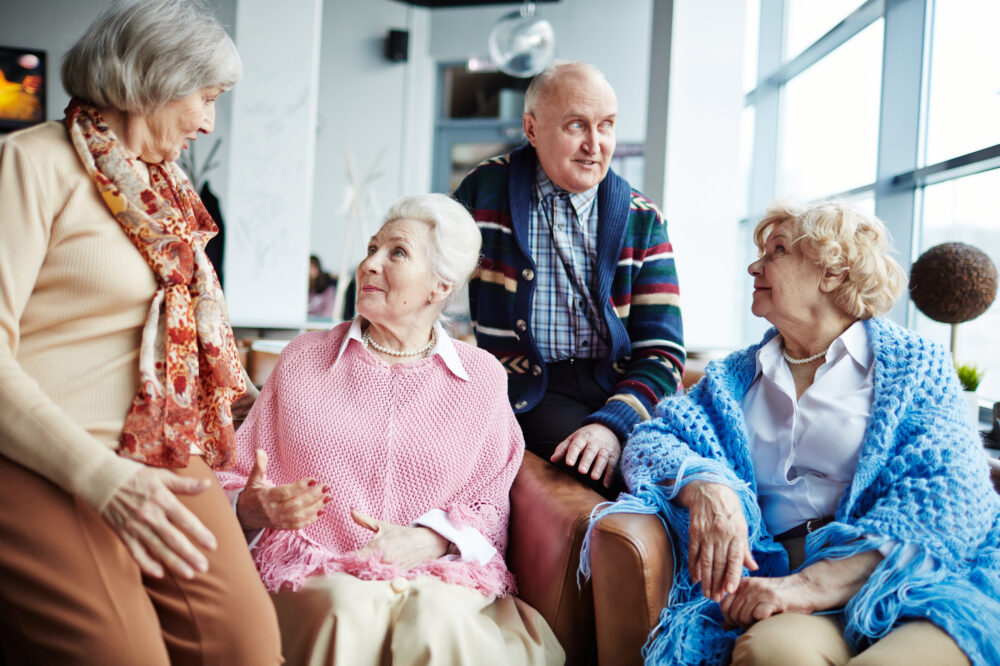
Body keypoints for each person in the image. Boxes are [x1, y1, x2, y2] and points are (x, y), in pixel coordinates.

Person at [586, 200, 1000, 665]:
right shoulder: (734, 378)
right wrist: (705, 483)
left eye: (777, 250)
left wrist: (809, 587)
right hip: (781, 581)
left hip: (913, 579)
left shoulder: (915, 366)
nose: (753, 265)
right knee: (771, 652)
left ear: (833, 274)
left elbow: (949, 497)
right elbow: (651, 440)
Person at [0, 1, 281, 663]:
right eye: (205, 97)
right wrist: (100, 479)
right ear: (154, 79)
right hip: (44, 453)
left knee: (247, 646)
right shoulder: (29, 163)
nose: (210, 122)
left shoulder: (169, 190)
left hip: (161, 444)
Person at [217, 194, 564, 665]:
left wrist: (434, 538)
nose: (370, 264)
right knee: (348, 607)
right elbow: (233, 476)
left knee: (437, 618)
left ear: (440, 285)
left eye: (396, 253)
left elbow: (490, 498)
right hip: (320, 569)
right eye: (371, 249)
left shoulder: (481, 377)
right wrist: (253, 508)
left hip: (438, 575)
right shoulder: (302, 360)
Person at [453, 61, 685, 496]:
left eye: (607, 126)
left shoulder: (643, 219)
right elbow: (432, 276)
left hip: (622, 390)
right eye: (577, 125)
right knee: (604, 480)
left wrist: (614, 424)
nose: (594, 145)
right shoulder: (483, 192)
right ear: (532, 128)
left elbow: (663, 352)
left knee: (694, 479)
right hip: (531, 388)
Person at [307, 254, 337, 320]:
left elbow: (328, 313)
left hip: (321, 326)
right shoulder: (305, 291)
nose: (309, 271)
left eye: (312, 267)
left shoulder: (329, 290)